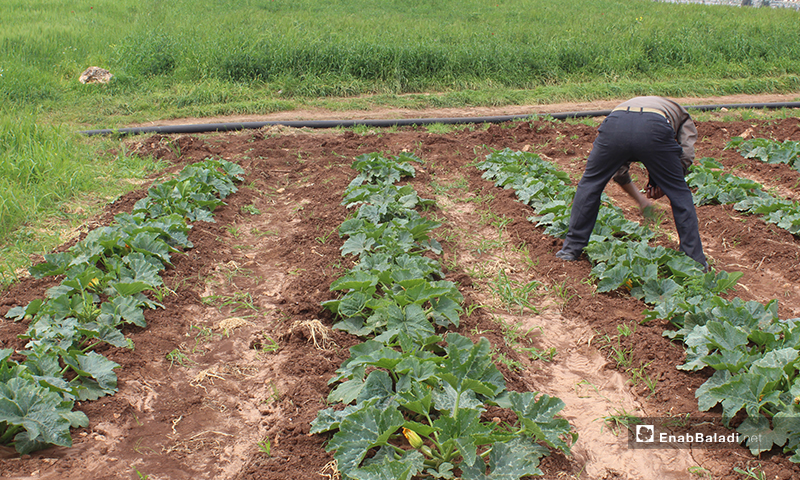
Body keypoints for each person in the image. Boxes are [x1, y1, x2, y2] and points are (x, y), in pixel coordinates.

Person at [555, 96, 708, 270]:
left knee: (590, 184)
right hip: (654, 126)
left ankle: (570, 250)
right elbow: (685, 154)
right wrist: (667, 182)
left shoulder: (631, 105)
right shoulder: (681, 114)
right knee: (680, 194)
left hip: (615, 124)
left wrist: (643, 197)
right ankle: (695, 262)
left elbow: (618, 171)